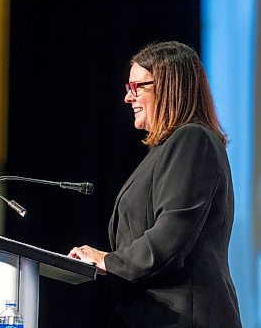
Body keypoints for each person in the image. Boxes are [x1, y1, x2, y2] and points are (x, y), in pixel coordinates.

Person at [68, 41, 242, 328]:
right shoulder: (166, 149)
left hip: (186, 318)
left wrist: (108, 261)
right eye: (128, 88)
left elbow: (170, 237)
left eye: (138, 87)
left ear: (170, 88)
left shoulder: (192, 140)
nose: (128, 98)